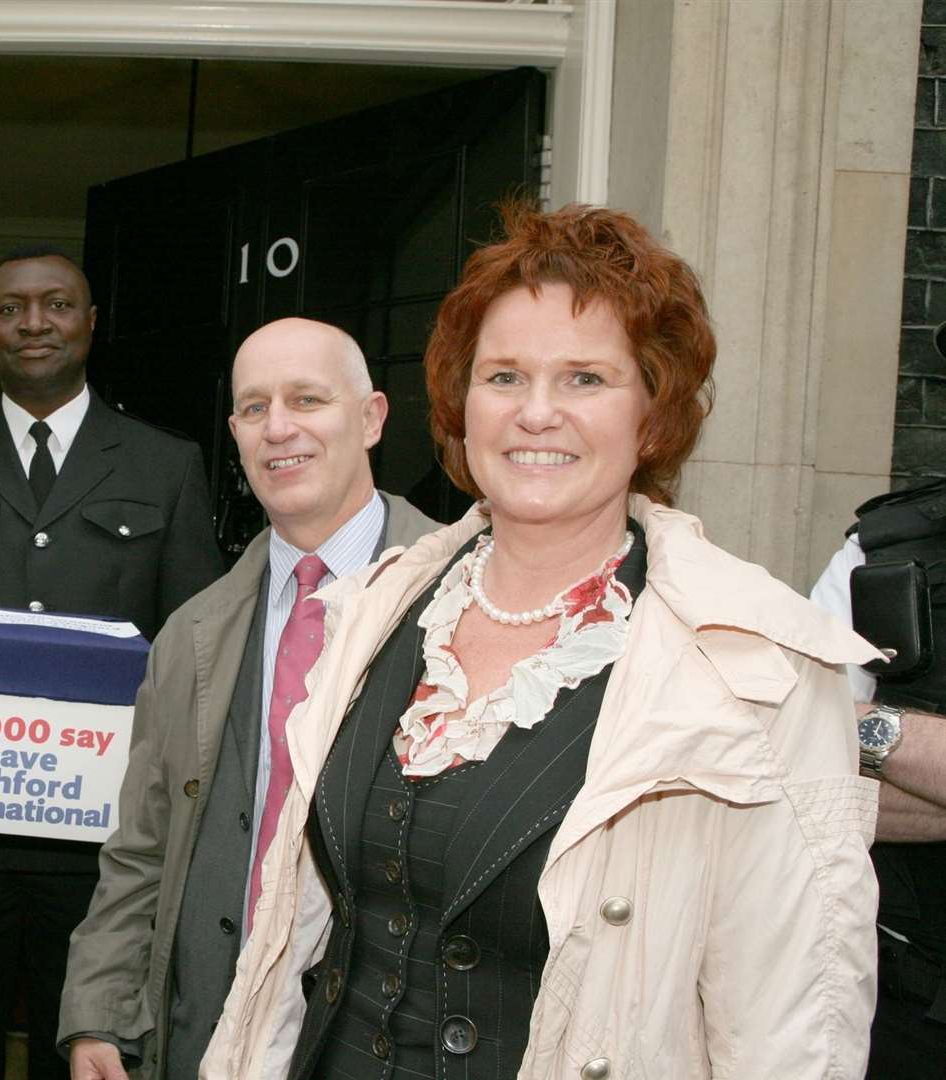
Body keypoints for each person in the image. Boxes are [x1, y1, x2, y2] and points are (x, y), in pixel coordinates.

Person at [202, 204, 881, 1080]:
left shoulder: (759, 666)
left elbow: (793, 1035)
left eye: (585, 379)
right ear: (460, 401)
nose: (535, 414)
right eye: (504, 377)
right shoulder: (375, 608)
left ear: (653, 410)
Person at [0, 245, 225, 1078]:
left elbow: (193, 639)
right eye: (9, 308)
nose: (33, 323)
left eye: (55, 305)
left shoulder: (163, 464)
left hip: (99, 839)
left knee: (88, 1043)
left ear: (90, 325)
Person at [58, 317, 439, 1080]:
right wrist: (99, 1015)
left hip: (390, 1046)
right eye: (255, 407)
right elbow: (142, 846)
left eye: (307, 399)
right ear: (234, 432)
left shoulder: (458, 599)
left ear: (370, 419)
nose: (279, 428)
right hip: (210, 1037)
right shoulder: (191, 635)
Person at [809, 477, 946, 1079]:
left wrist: (864, 727)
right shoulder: (887, 551)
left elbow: (821, 725)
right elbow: (797, 774)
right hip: (905, 1009)